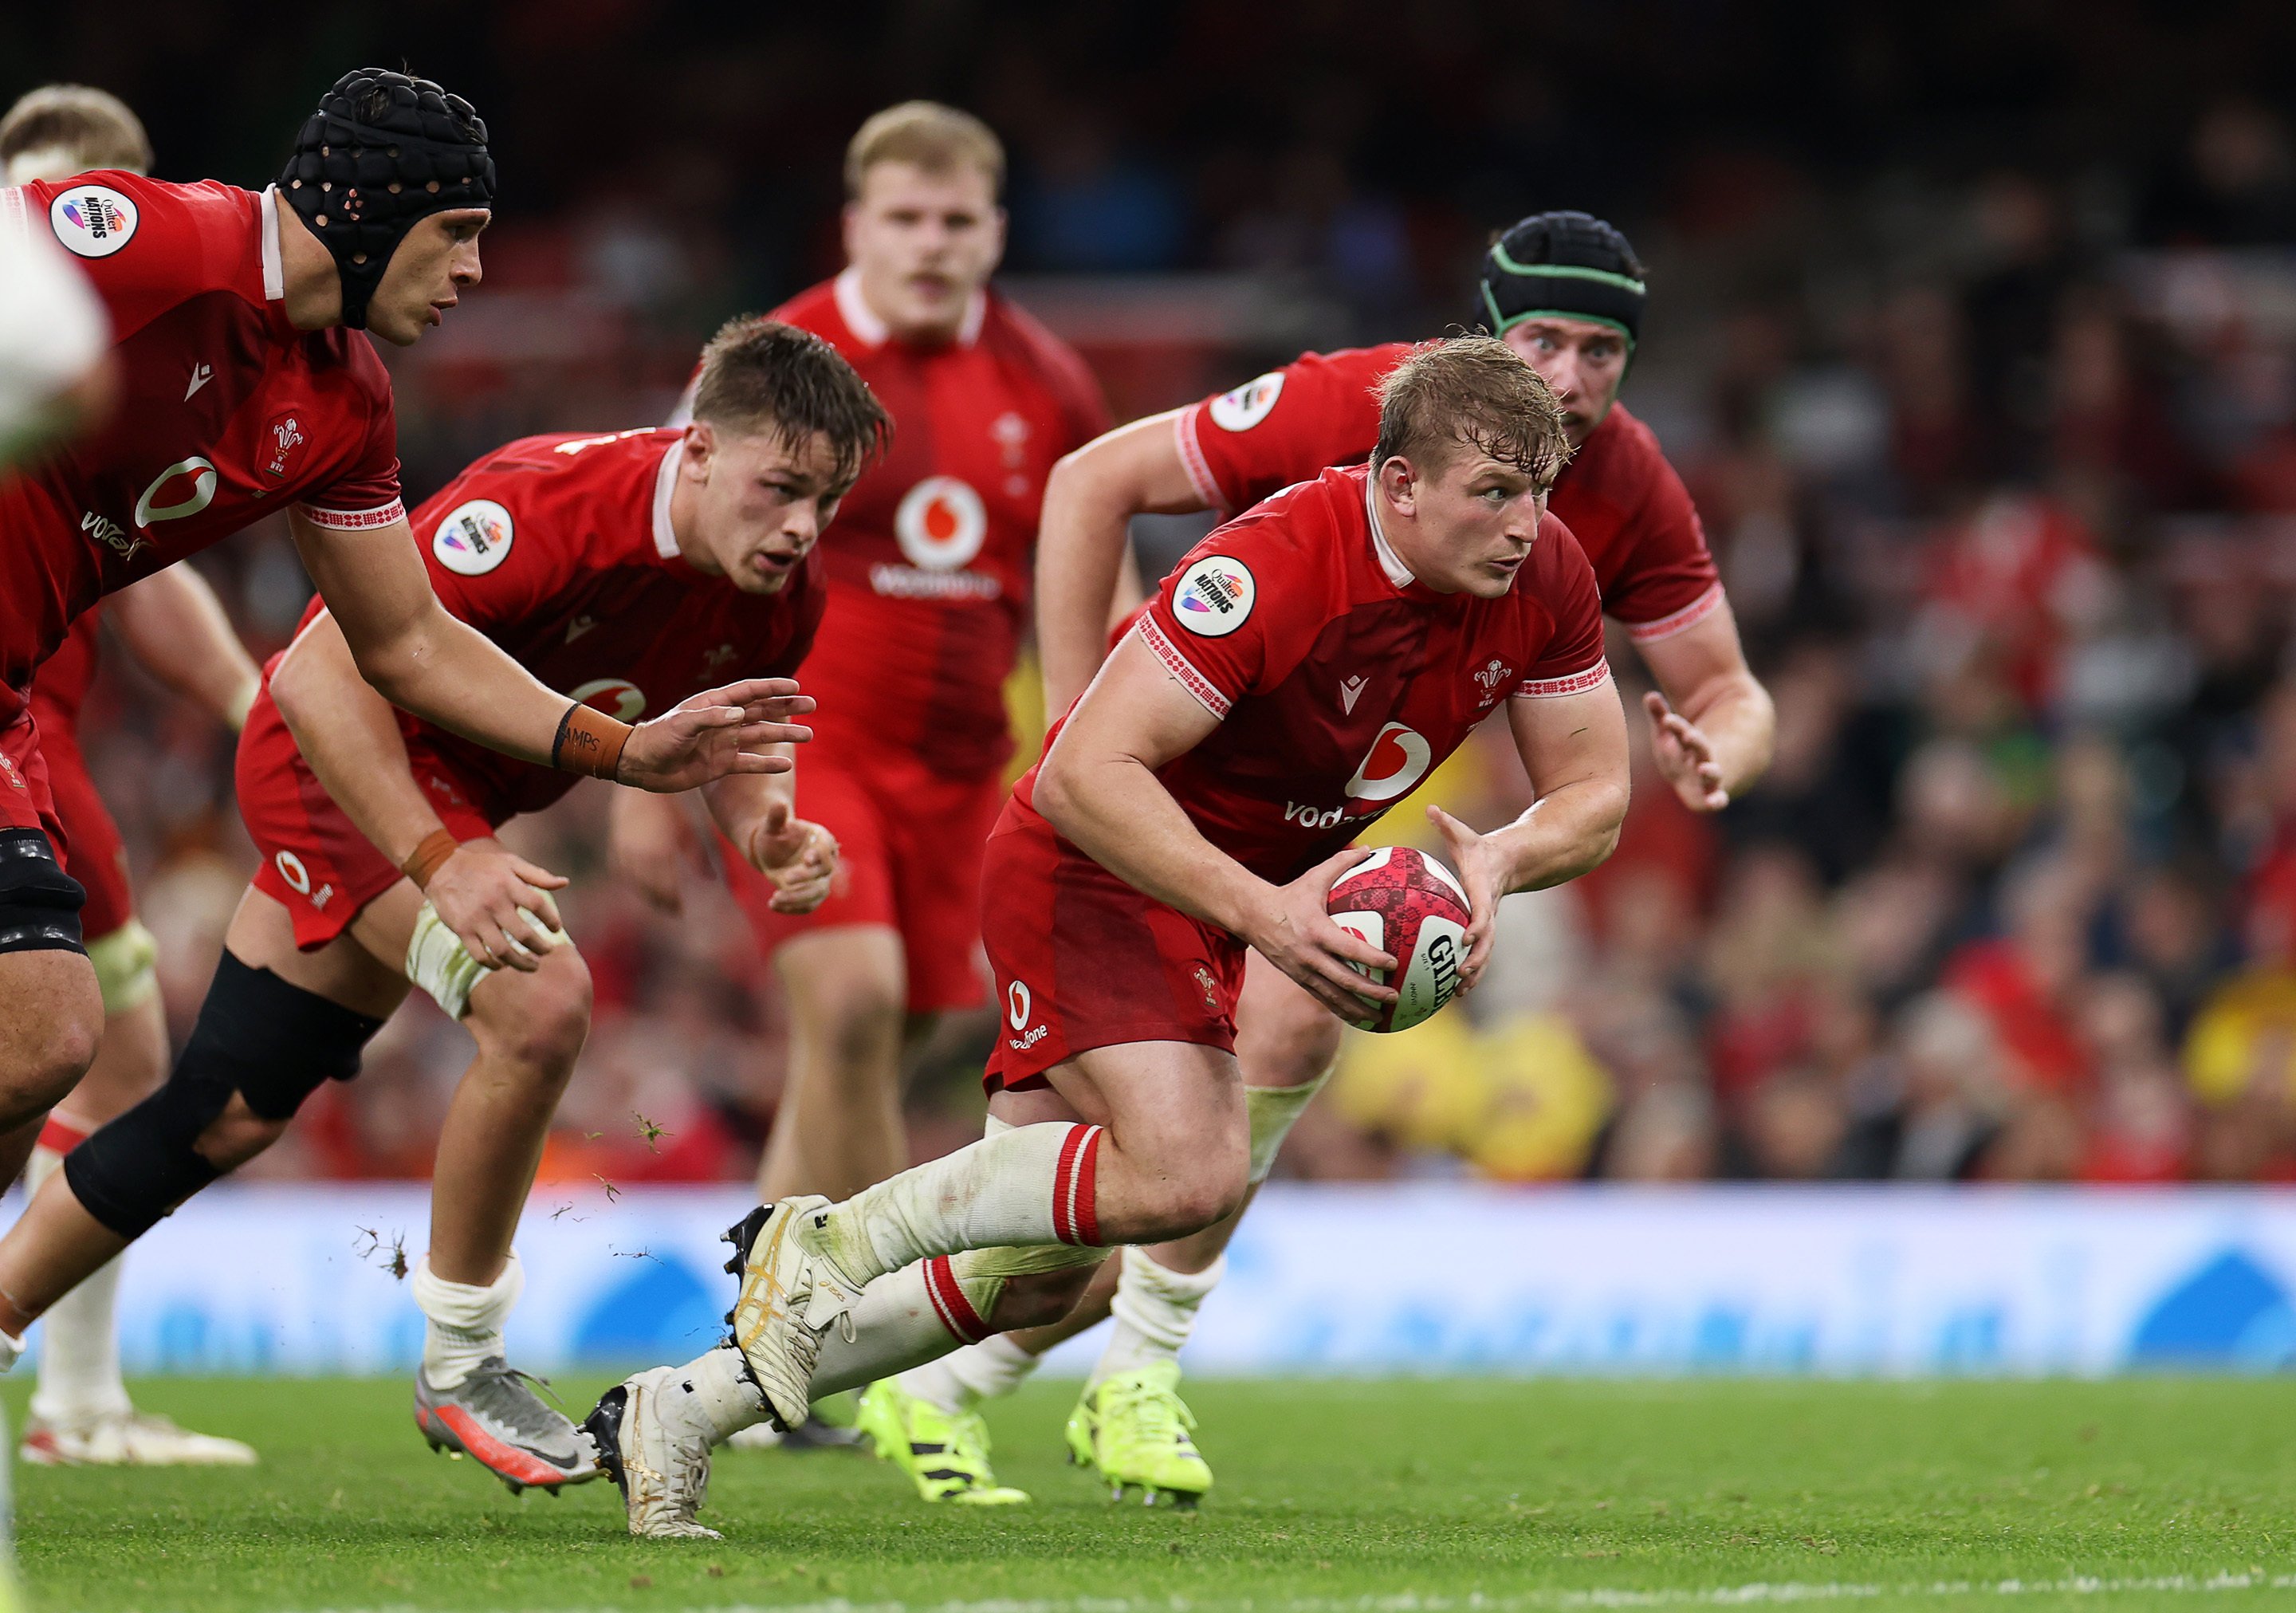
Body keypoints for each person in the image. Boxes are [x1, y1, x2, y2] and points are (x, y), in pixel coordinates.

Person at [590, 336, 1632, 1539]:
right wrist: (1264, 913)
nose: (1524, 525)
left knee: (1042, 1276)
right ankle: (828, 1236)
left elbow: (1595, 795)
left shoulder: (1545, 576)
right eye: (1493, 494)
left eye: (1539, 494)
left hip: (1223, 895)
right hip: (1093, 869)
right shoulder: (1278, 565)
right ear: (1399, 485)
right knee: (1191, 1172)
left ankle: (682, 1410)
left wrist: (1500, 859)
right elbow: (1084, 774)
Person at [866, 210, 1775, 1505]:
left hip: (1322, 823)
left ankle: (1121, 1376)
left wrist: (1723, 752)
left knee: (1253, 1086)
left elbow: (1730, 690)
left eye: (1604, 352)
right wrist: (1084, 731)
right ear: (1481, 336)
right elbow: (1088, 483)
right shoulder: (1352, 404)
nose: (1571, 380)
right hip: (1167, 802)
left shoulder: (1624, 481)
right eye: (1544, 341)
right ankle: (889, 1350)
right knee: (1097, 1200)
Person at [0, 318, 881, 1491]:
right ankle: (463, 1364)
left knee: (225, 1114)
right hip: (336, 769)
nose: (802, 527)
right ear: (701, 448)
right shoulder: (544, 507)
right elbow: (316, 671)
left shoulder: (783, 587)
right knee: (542, 1003)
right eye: (782, 489)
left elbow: (731, 736)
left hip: (446, 805)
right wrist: (437, 857)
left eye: (826, 501)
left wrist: (767, 826)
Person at [0, 68, 814, 1225]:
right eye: (459, 233)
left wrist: (624, 755)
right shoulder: (165, 242)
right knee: (52, 1028)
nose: (476, 272)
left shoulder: (348, 403)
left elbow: (409, 641)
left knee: (44, 1041)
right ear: (370, 209)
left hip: (8, 699)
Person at [605, 104, 1107, 1452]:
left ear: (996, 230)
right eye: (905, 219)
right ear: (855, 226)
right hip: (805, 737)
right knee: (854, 1003)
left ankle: (759, 1356)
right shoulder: (776, 368)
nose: (931, 245)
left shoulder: (1049, 384)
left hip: (968, 775)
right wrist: (639, 778)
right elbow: (662, 550)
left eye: (957, 221)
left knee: (897, 1038)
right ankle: (823, 1350)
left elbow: (1089, 580)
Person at [2, 82, 267, 1468]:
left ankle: (76, 1401)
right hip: (22, 754)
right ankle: (74, 1401)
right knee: (93, 1051)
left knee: (106, 1053)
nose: (84, 225)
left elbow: (143, 578)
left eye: (112, 193)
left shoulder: (130, 365)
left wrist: (244, 702)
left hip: (38, 757)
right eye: (53, 195)